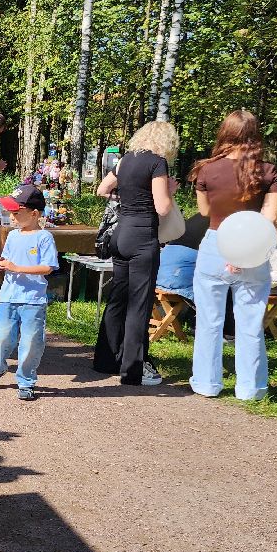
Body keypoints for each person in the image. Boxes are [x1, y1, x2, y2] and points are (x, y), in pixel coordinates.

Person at [188, 109, 277, 400]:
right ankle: (251, 388)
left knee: (209, 321)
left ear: (225, 133)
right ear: (255, 135)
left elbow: (204, 212)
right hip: (255, 244)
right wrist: (247, 246)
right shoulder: (268, 171)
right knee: (251, 320)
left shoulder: (206, 170)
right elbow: (270, 216)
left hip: (215, 244)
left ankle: (206, 383)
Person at [92, 120, 178, 386]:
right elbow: (162, 208)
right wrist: (171, 192)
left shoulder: (125, 160)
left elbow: (102, 189)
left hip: (120, 235)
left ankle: (105, 360)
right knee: (139, 305)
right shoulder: (157, 163)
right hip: (142, 237)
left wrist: (126, 196)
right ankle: (132, 371)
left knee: (118, 298)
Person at [0, 184, 58, 400]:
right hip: (8, 297)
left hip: (33, 300)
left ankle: (25, 380)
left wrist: (17, 268)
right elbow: (9, 261)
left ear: (34, 214)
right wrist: (0, 263)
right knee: (2, 337)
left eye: (16, 213)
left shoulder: (44, 238)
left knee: (31, 341)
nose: (12, 216)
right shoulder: (13, 236)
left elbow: (47, 267)